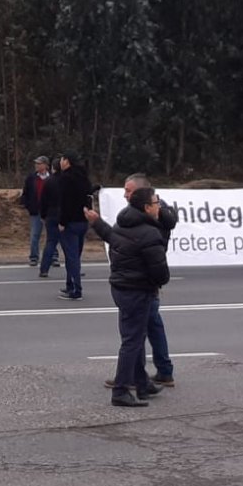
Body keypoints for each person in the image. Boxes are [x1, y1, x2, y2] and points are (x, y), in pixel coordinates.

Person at [85, 187, 170, 407]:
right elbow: (161, 272)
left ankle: (142, 384)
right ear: (146, 207)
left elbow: (112, 238)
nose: (158, 206)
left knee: (135, 337)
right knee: (132, 342)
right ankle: (121, 390)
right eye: (155, 202)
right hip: (138, 290)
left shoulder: (123, 223)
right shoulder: (150, 233)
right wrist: (158, 282)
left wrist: (97, 223)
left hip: (121, 288)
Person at [98, 174, 178, 389]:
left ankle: (131, 377)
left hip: (141, 280)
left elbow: (136, 244)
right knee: (150, 324)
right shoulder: (151, 214)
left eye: (129, 191)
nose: (125, 195)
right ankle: (159, 371)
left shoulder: (149, 218)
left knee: (136, 332)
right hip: (145, 279)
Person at [56, 152, 92, 301]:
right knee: (75, 255)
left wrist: (62, 222)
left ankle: (76, 289)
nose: (60, 162)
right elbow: (89, 196)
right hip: (83, 221)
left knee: (71, 257)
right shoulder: (84, 177)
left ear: (67, 161)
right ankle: (70, 284)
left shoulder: (66, 178)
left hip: (70, 222)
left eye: (63, 159)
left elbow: (65, 203)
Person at [37, 156, 64, 278]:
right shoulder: (66, 181)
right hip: (64, 214)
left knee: (50, 242)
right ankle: (74, 268)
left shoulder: (49, 181)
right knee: (68, 243)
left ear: (52, 168)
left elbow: (43, 200)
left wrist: (43, 215)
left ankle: (44, 269)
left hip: (51, 214)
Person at [21, 155, 50, 267]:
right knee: (34, 235)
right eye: (36, 163)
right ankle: (34, 257)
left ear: (45, 165)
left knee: (51, 235)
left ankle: (53, 257)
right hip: (36, 211)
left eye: (39, 163)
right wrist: (27, 205)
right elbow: (26, 192)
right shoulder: (31, 178)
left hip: (49, 211)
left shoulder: (52, 177)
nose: (36, 166)